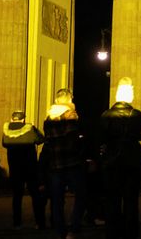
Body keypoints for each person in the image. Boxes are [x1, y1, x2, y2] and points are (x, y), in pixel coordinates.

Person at [99, 77, 141, 239]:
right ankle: (131, 233)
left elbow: (100, 137)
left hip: (111, 161)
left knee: (112, 201)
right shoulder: (136, 115)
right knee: (131, 202)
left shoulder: (106, 115)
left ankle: (112, 232)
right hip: (132, 161)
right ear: (129, 95)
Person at [43, 88, 87, 239]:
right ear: (69, 99)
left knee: (57, 199)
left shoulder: (49, 117)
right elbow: (73, 139)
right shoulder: (70, 115)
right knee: (81, 195)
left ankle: (60, 230)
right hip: (71, 162)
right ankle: (74, 228)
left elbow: (49, 140)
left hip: (55, 164)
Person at [3, 109, 46, 229]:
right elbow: (41, 140)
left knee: (17, 197)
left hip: (15, 168)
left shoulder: (6, 131)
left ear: (12, 118)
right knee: (35, 195)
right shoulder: (29, 129)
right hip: (30, 167)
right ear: (23, 119)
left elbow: (4, 144)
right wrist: (34, 128)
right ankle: (39, 222)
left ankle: (17, 223)